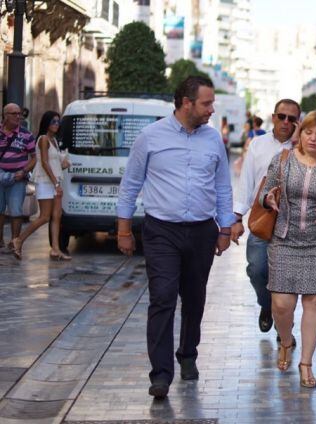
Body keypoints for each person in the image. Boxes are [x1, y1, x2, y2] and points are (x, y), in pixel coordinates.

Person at [116, 76, 235, 399]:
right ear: (187, 103)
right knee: (163, 297)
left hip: (201, 231)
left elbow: (223, 186)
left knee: (194, 299)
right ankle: (160, 374)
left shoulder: (213, 141)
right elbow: (130, 185)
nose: (212, 109)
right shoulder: (150, 137)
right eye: (206, 103)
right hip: (161, 231)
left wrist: (225, 228)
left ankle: (188, 354)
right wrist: (124, 229)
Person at [259, 111, 316, 388]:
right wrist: (269, 198)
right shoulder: (283, 160)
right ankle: (286, 341)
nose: (313, 138)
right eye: (309, 132)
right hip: (285, 240)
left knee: (314, 303)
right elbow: (267, 190)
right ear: (301, 133)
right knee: (281, 303)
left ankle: (306, 363)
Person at [231, 99, 302, 337]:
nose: (286, 122)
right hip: (263, 219)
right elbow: (246, 181)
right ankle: (266, 305)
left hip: (292, 225)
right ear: (273, 117)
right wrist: (237, 217)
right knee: (257, 269)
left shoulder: (304, 147)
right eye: (281, 116)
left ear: (298, 122)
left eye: (292, 119)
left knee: (288, 279)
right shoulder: (258, 145)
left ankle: (285, 329)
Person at [11, 111, 70, 260]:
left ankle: (55, 249)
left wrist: (63, 165)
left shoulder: (54, 141)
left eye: (58, 122)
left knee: (57, 216)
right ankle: (19, 240)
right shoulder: (43, 139)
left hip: (55, 181)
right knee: (44, 217)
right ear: (46, 123)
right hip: (46, 182)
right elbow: (43, 162)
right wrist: (56, 183)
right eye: (53, 121)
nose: (56, 124)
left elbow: (53, 163)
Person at [0, 103, 36, 253]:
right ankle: (0, 240)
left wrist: (24, 171)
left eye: (19, 113)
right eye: (14, 113)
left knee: (16, 211)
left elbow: (34, 158)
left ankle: (15, 242)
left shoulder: (27, 135)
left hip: (18, 178)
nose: (18, 116)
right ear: (5, 116)